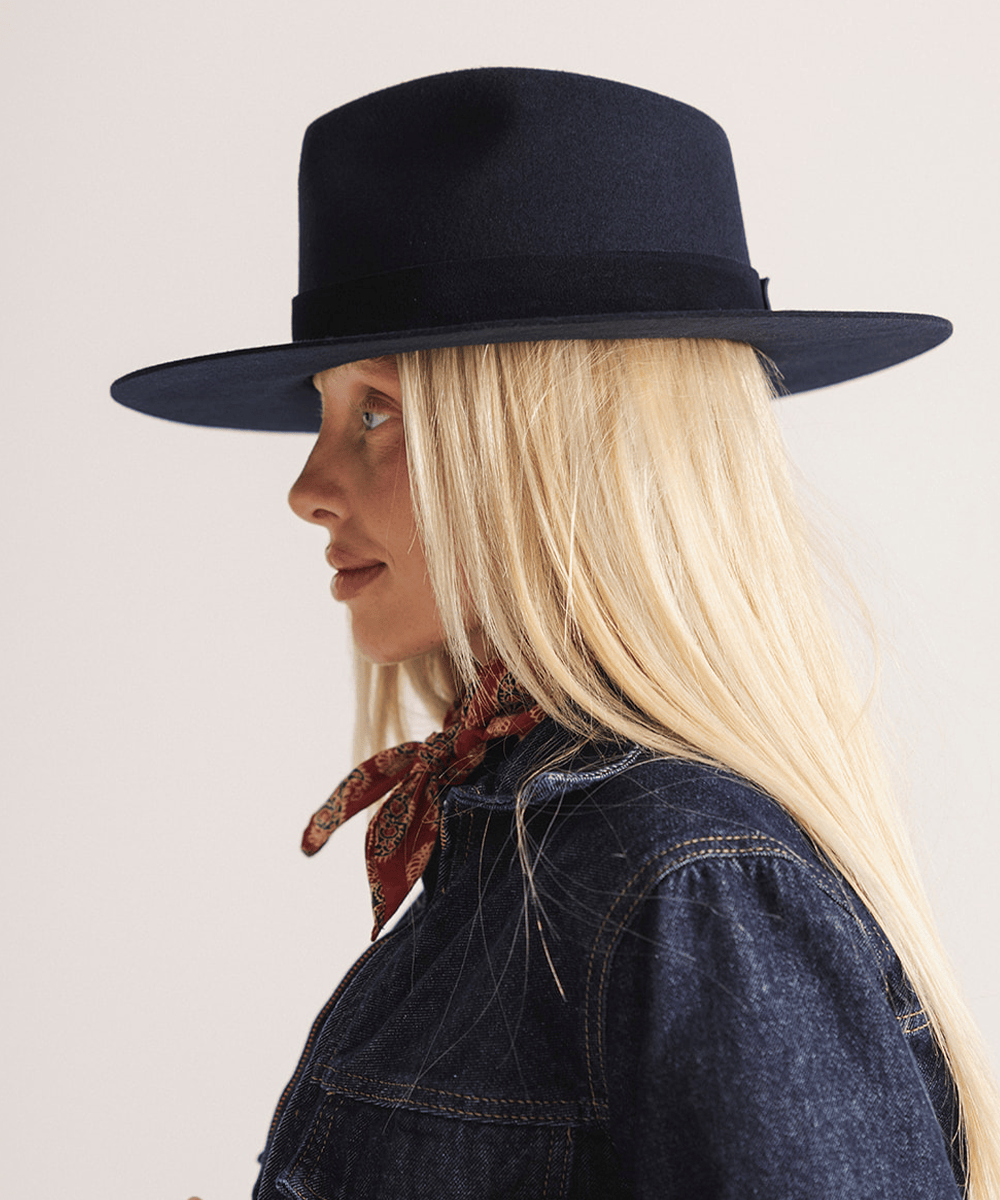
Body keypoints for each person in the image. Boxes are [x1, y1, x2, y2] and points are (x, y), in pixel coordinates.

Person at [112, 68, 998, 1198]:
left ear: (550, 444)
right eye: (329, 416)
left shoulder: (687, 882)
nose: (308, 487)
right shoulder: (526, 845)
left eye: (374, 413)